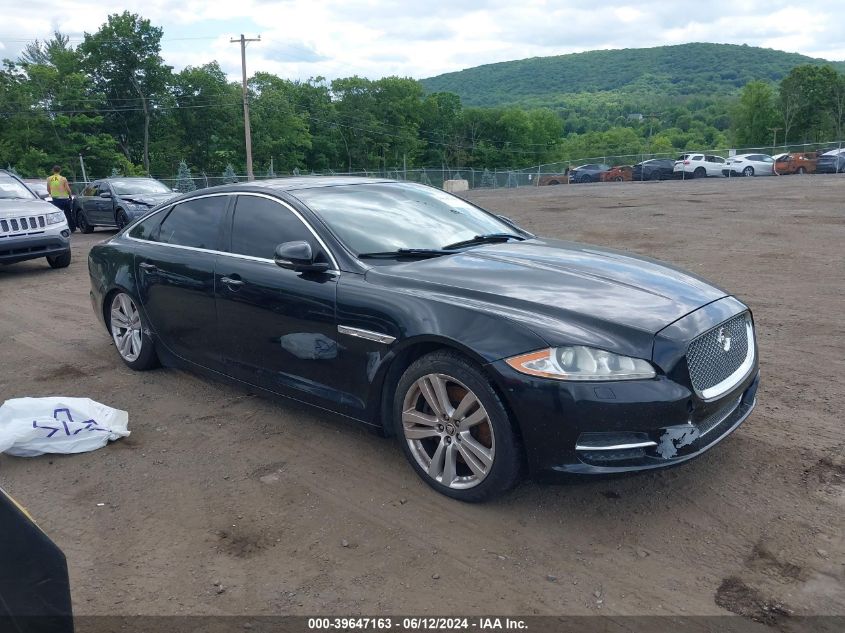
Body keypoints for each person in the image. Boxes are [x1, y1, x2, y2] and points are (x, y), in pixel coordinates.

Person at [46, 165, 75, 231]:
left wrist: (52, 194)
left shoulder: (49, 179)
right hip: (64, 199)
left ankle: (58, 229)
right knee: (68, 213)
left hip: (55, 199)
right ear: (60, 170)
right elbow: (68, 189)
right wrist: (70, 196)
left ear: (53, 170)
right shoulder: (63, 178)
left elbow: (48, 189)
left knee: (56, 215)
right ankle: (72, 228)